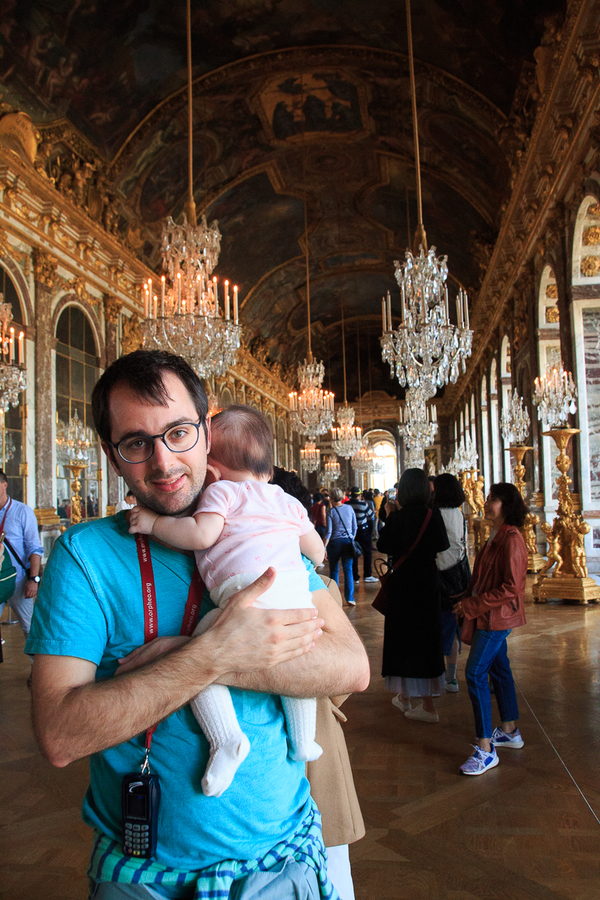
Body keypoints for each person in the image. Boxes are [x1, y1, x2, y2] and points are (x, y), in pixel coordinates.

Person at [26, 350, 370, 900]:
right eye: (136, 443)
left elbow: (351, 668)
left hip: (284, 861)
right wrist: (209, 656)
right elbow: (61, 736)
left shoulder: (262, 527)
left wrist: (194, 650)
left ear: (207, 436)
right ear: (114, 458)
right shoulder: (83, 558)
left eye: (179, 433)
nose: (163, 462)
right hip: (145, 879)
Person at [128, 405, 326, 798]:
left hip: (243, 594)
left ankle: (226, 738)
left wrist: (153, 524)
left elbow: (201, 535)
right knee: (296, 660)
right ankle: (304, 740)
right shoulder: (286, 501)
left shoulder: (222, 491)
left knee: (204, 652)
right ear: (267, 467)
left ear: (213, 469)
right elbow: (317, 552)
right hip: (293, 594)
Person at [453, 482, 528, 776]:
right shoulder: (496, 535)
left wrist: (472, 606)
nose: (486, 503)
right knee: (500, 669)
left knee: (474, 673)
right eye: (488, 498)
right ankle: (509, 730)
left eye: (493, 500)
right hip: (489, 614)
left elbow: (511, 587)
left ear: (506, 506)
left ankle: (485, 748)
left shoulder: (511, 540)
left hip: (496, 619)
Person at [377, 469, 449, 723]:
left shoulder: (398, 518)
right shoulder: (433, 514)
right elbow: (442, 545)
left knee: (402, 640)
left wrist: (389, 517)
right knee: (426, 640)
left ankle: (414, 701)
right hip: (427, 584)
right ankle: (422, 702)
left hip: (402, 584)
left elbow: (383, 546)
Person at [433, 473, 470, 693]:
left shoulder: (436, 514)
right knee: (453, 628)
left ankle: (438, 676)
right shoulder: (459, 513)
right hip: (458, 578)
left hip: (440, 578)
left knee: (438, 627)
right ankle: (451, 675)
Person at [0, 471, 44, 647]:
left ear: (5, 485)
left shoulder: (22, 511)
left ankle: (37, 669)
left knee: (29, 627)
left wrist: (33, 579)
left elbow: (34, 548)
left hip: (19, 581)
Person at [323, 487, 358, 607]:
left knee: (334, 570)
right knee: (348, 570)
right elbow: (355, 526)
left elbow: (329, 532)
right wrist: (351, 537)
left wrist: (323, 547)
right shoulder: (349, 508)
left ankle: (335, 597)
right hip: (348, 541)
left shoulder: (331, 512)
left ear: (331, 498)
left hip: (334, 543)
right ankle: (350, 598)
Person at [347, 488, 377, 585]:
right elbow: (371, 516)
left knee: (353, 553)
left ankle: (355, 577)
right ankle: (367, 575)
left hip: (351, 532)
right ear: (359, 495)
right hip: (362, 531)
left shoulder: (347, 505)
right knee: (367, 552)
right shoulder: (363, 505)